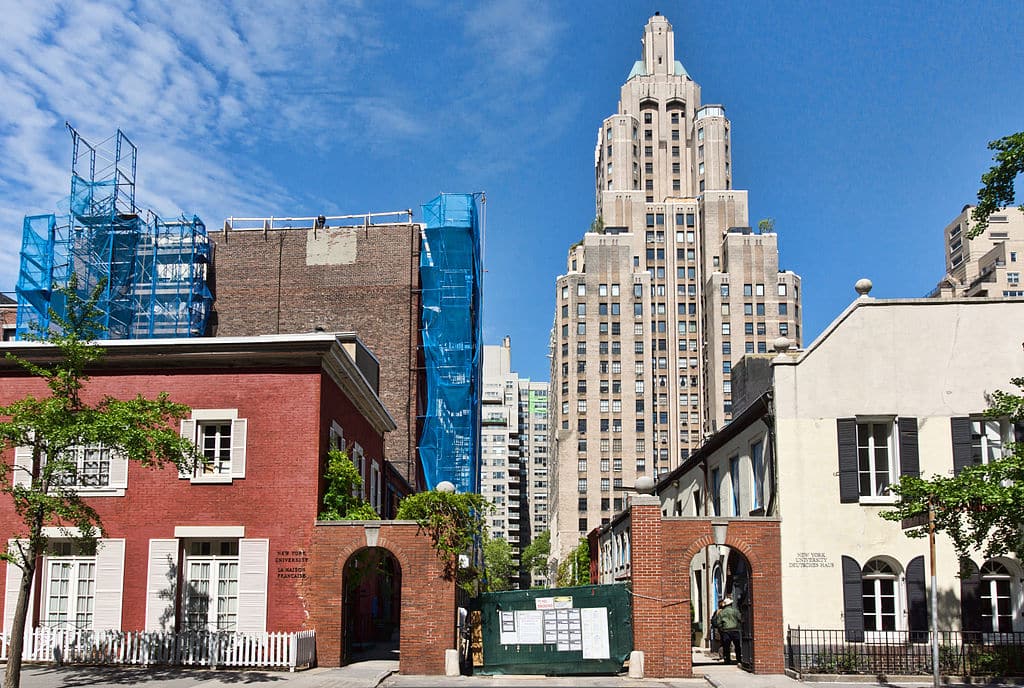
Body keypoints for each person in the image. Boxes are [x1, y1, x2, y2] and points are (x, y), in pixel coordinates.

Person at [712, 597, 743, 664]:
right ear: (731, 604)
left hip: (726, 631)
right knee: (737, 646)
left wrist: (721, 629)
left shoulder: (721, 612)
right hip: (735, 630)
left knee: (726, 646)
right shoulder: (735, 611)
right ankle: (739, 658)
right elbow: (740, 619)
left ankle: (727, 659)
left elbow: (718, 622)